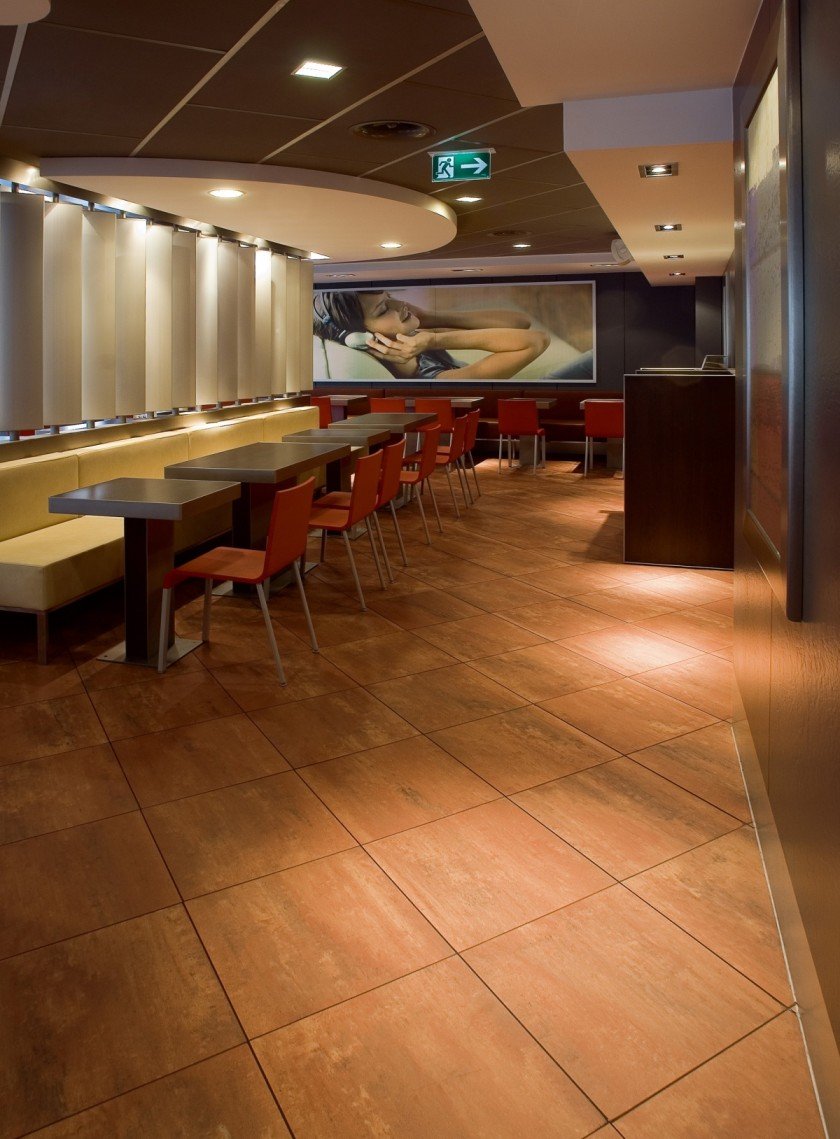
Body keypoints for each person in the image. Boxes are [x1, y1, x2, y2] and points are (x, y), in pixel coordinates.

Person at [313, 290, 550, 380]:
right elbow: (536, 340)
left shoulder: (417, 342)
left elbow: (520, 322)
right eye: (383, 309)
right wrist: (435, 340)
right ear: (367, 339)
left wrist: (431, 317)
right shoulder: (436, 380)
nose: (400, 304)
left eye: (390, 297)